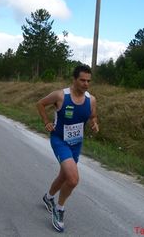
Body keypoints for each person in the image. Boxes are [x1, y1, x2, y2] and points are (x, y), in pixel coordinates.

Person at [36, 65, 99, 232]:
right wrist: (46, 122)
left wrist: (94, 123)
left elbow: (93, 115)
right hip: (60, 141)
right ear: (74, 79)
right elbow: (40, 104)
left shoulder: (91, 99)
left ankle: (48, 197)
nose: (86, 84)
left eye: (88, 81)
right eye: (82, 80)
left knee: (64, 176)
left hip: (76, 143)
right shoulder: (60, 95)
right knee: (72, 179)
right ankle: (59, 208)